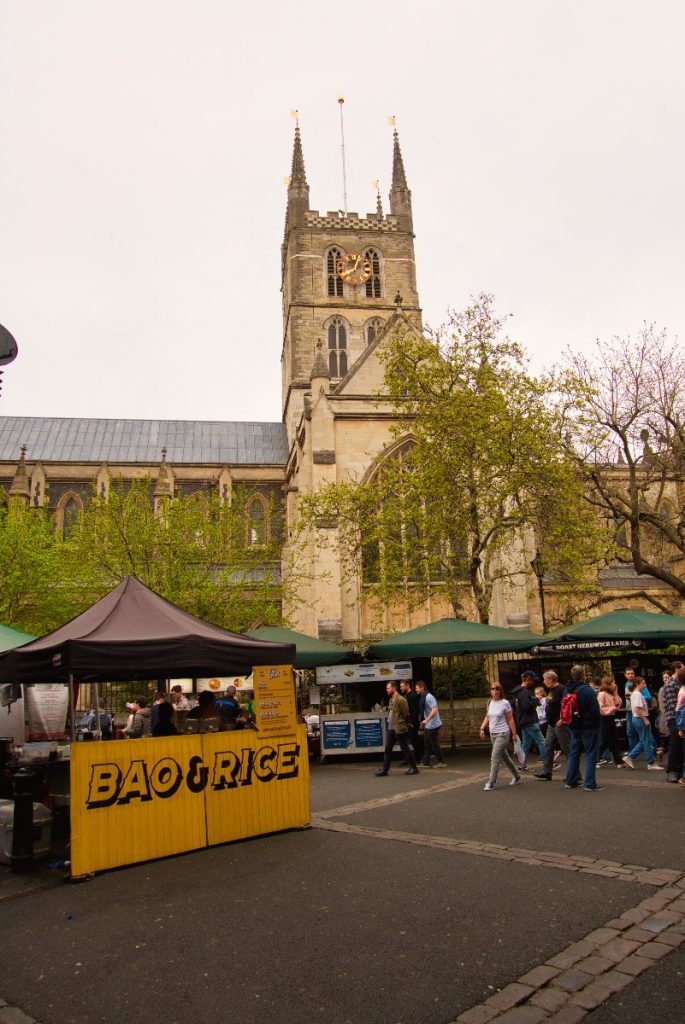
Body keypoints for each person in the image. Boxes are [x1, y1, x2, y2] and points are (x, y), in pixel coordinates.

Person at [564, 665, 603, 792]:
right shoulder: (588, 690)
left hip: (574, 726)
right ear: (583, 675)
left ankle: (570, 780)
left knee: (574, 752)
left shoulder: (567, 690)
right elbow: (595, 711)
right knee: (590, 753)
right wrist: (596, 723)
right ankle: (590, 783)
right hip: (588, 726)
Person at [479, 681, 521, 790]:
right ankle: (516, 776)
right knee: (505, 757)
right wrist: (482, 728)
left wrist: (514, 734)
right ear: (490, 691)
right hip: (493, 734)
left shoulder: (505, 703)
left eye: (497, 689)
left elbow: (511, 720)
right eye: (493, 689)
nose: (495, 691)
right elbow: (488, 716)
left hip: (503, 734)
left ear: (500, 691)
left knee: (495, 758)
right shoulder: (490, 702)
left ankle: (491, 783)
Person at [374, 681, 418, 776]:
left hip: (399, 729)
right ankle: (385, 770)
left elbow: (406, 714)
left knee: (405, 748)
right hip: (391, 729)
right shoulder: (391, 700)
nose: (387, 690)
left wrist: (407, 724)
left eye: (388, 688)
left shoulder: (401, 700)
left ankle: (414, 768)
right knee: (388, 749)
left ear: (393, 688)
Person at [534, 670, 572, 781]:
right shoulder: (551, 691)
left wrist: (562, 720)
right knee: (548, 746)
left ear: (551, 679)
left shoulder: (561, 689)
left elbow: (567, 705)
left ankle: (575, 773)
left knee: (566, 748)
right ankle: (547, 771)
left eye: (545, 679)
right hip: (551, 724)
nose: (544, 682)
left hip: (559, 724)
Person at [623, 677, 664, 771]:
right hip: (640, 718)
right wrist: (645, 719)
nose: (645, 685)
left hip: (637, 718)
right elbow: (637, 708)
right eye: (643, 683)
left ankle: (630, 757)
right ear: (637, 684)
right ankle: (651, 763)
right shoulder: (637, 694)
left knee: (645, 740)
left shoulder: (635, 693)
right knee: (646, 741)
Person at [509, 671, 545, 770]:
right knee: (541, 741)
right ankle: (548, 762)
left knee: (526, 743)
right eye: (532, 680)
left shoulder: (518, 692)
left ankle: (522, 764)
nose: (533, 682)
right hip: (530, 721)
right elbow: (526, 707)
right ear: (528, 679)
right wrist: (536, 701)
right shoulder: (524, 692)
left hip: (523, 721)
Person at [415, 679, 446, 768]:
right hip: (429, 724)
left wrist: (426, 720)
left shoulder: (428, 697)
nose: (416, 690)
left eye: (417, 688)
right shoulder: (423, 697)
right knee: (427, 743)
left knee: (434, 743)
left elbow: (435, 709)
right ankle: (426, 762)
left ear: (422, 688)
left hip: (434, 724)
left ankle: (442, 761)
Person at [662, 662, 684, 783]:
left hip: (680, 717)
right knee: (675, 743)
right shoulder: (671, 684)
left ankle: (679, 771)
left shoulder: (680, 683)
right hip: (674, 718)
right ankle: (672, 771)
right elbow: (672, 706)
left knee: (680, 744)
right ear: (677, 669)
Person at [597, 676, 623, 767]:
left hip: (611, 718)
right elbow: (600, 708)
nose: (615, 685)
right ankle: (595, 758)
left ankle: (619, 761)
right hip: (604, 719)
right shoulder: (602, 694)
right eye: (613, 683)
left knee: (614, 740)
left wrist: (615, 693)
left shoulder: (612, 694)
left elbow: (619, 703)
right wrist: (612, 709)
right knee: (604, 740)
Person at [399, 680, 423, 764]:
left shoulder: (412, 696)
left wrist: (411, 722)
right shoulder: (407, 695)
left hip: (412, 723)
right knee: (409, 741)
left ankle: (418, 759)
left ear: (407, 686)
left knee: (414, 740)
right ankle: (411, 758)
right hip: (409, 722)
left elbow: (415, 710)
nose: (401, 688)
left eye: (402, 686)